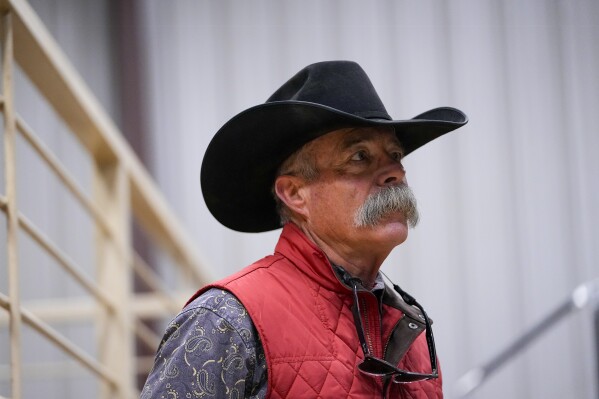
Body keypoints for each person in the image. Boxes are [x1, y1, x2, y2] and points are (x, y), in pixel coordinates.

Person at [141, 60, 468, 399]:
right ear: (295, 194)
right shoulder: (226, 319)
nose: (394, 173)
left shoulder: (412, 333)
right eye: (359, 156)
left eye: (395, 154)